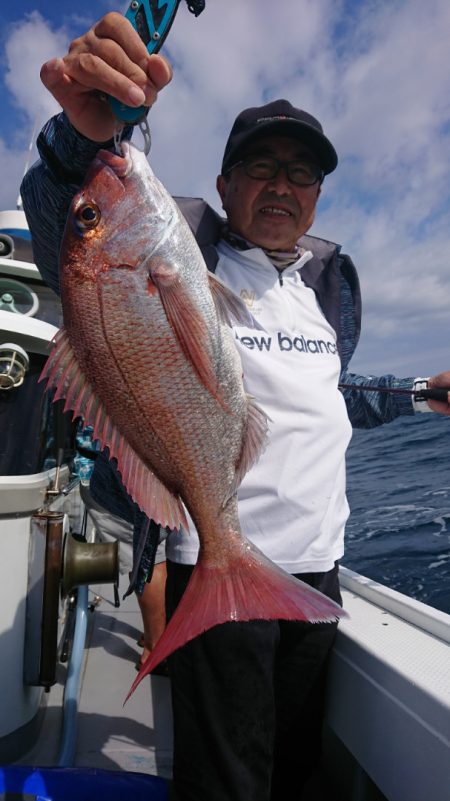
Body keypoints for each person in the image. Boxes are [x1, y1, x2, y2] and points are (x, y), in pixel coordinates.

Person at [20, 12, 450, 801]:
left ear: (318, 196)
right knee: (228, 783)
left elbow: (327, 394)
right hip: (215, 566)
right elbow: (65, 223)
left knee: (296, 771)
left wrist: (422, 397)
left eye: (301, 173)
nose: (281, 184)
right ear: (223, 185)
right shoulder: (184, 243)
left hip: (317, 569)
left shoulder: (328, 288)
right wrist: (78, 144)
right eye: (259, 165)